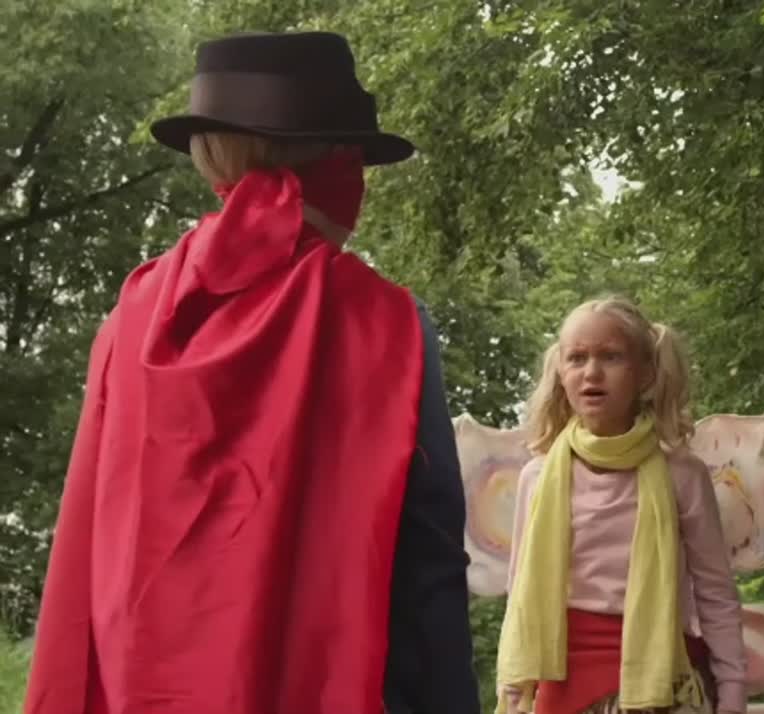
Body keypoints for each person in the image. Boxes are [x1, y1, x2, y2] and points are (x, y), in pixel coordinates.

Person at [23, 31, 480, 714]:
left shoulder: (133, 315)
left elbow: (86, 546)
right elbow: (428, 564)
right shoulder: (386, 324)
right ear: (337, 162)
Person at [496, 297, 746, 714]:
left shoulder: (682, 474)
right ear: (561, 372)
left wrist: (733, 691)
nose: (591, 372)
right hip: (562, 686)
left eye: (610, 356)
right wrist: (511, 689)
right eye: (577, 358)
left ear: (645, 372)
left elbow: (715, 593)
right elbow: (519, 594)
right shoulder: (537, 477)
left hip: (664, 685)